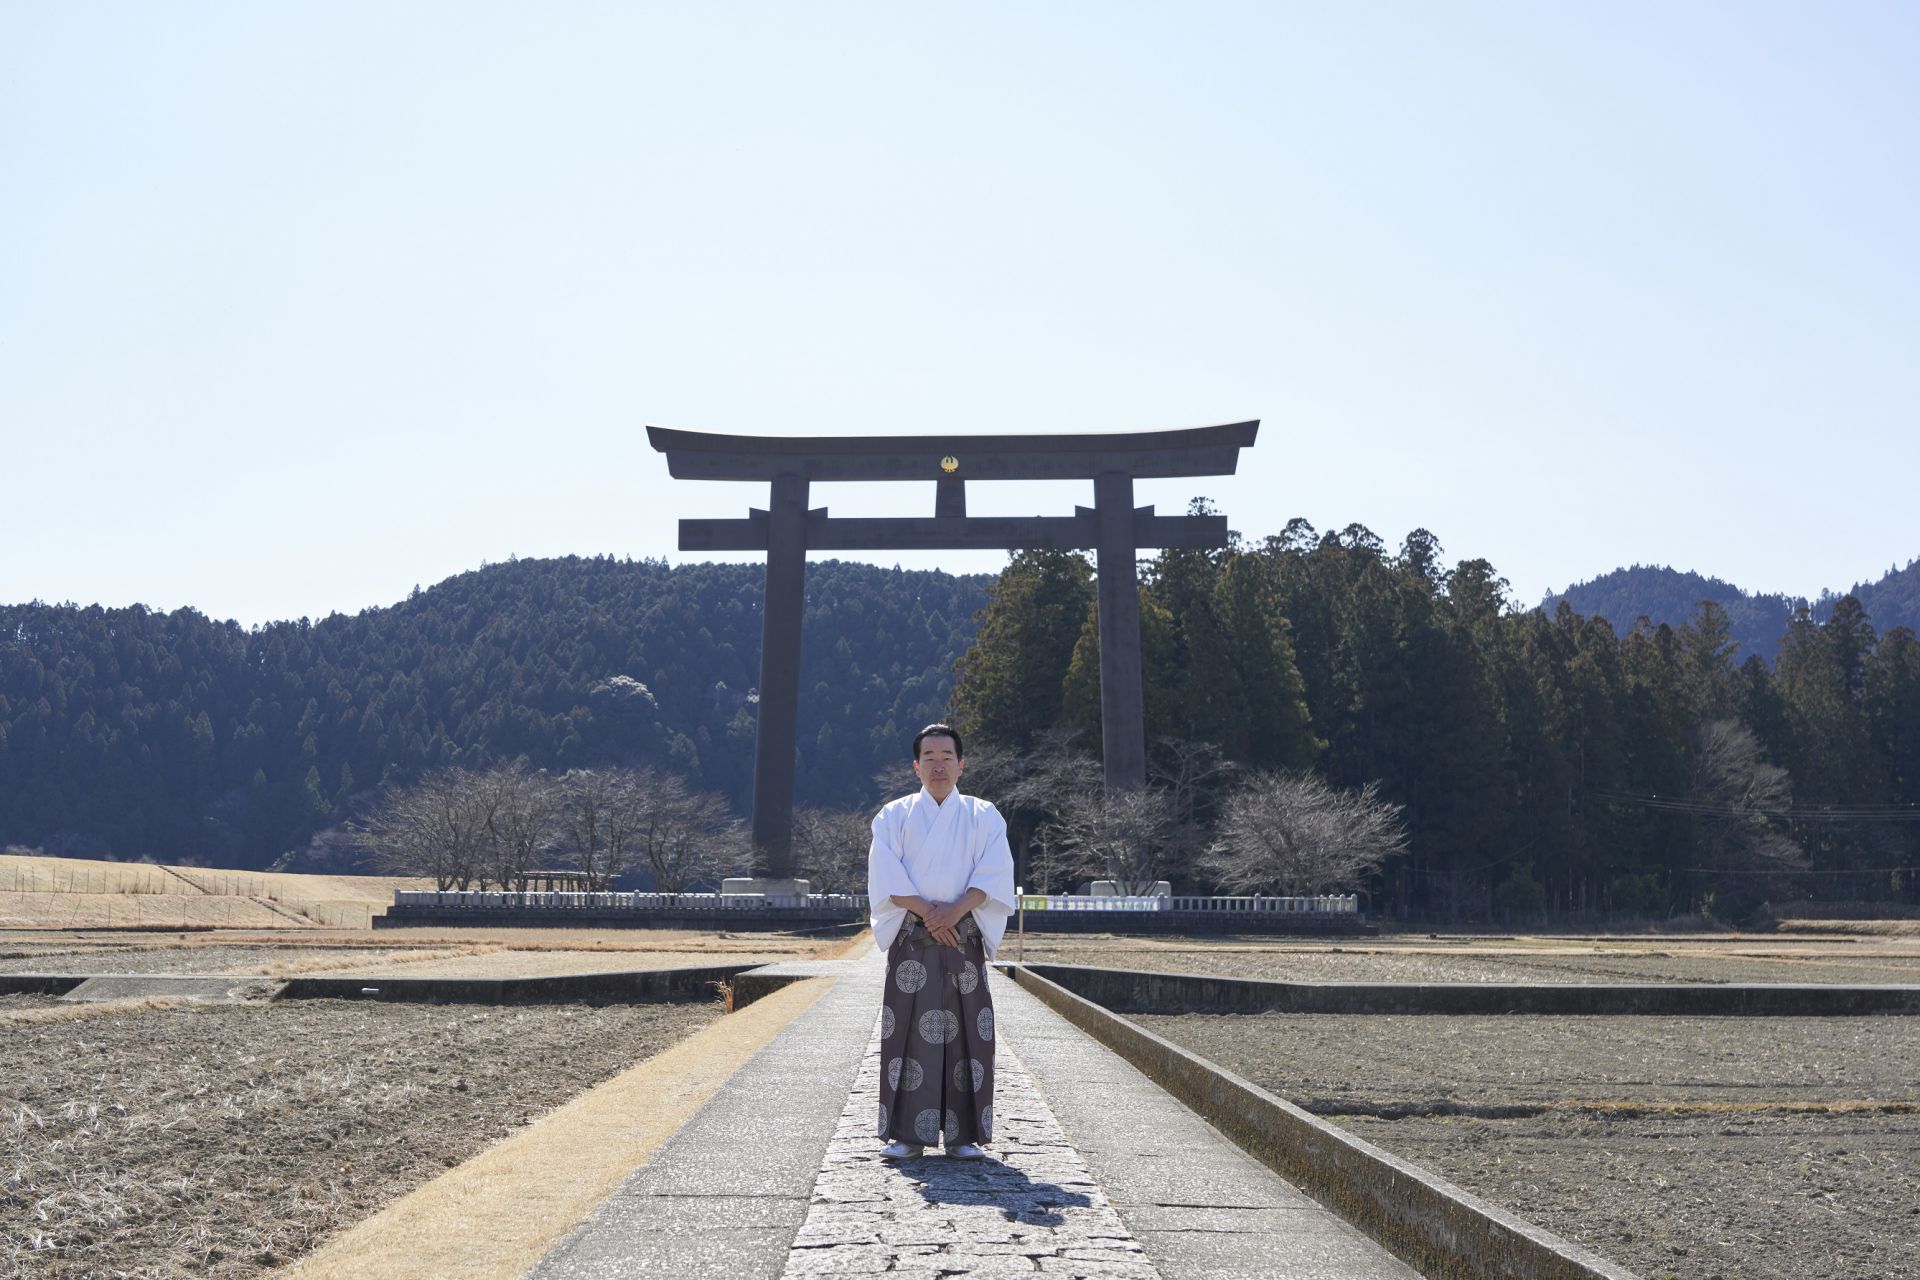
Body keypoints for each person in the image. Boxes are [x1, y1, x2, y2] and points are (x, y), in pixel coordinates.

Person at [867, 722, 1016, 1160]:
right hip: (914, 941)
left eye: (946, 756)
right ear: (916, 766)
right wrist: (930, 914)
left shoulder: (983, 815)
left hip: (962, 938)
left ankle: (964, 1135)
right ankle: (907, 1135)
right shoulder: (892, 816)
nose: (938, 765)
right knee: (908, 1036)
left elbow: (992, 874)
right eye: (928, 757)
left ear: (961, 764)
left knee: (970, 1034)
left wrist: (952, 911)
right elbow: (887, 877)